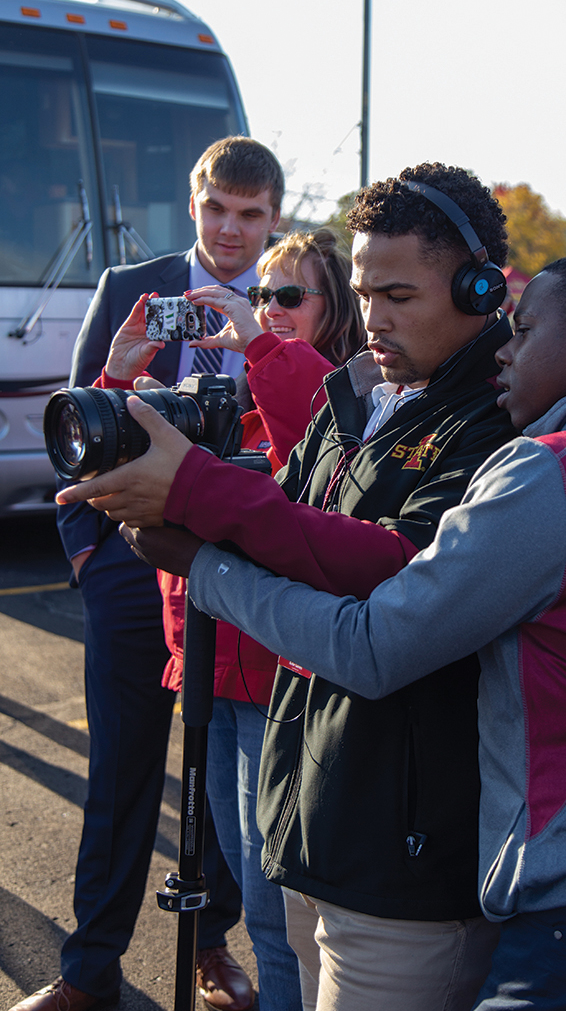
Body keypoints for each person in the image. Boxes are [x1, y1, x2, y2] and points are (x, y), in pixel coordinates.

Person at [119, 248, 566, 1011]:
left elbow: (371, 648)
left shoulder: (552, 471)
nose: (504, 347)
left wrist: (204, 570)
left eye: (525, 330)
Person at [56, 163, 517, 1011]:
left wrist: (193, 501)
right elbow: (283, 517)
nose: (373, 318)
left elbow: (388, 565)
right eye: (364, 290)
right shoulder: (362, 396)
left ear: (480, 288)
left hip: (405, 857)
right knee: (277, 954)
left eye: (399, 295)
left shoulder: (500, 419)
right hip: (318, 807)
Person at [12, 138, 283, 1011]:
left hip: (237, 567)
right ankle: (89, 970)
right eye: (217, 209)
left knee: (230, 775)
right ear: (193, 201)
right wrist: (93, 560)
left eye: (250, 214)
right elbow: (74, 425)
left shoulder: (290, 295)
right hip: (131, 564)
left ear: (273, 217)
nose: (231, 230)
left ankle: (210, 943)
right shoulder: (131, 286)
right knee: (123, 773)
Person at [120, 228, 363, 1007]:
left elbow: (319, 448)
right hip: (208, 666)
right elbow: (125, 456)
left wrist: (259, 344)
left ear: (336, 308)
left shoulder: (334, 394)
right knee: (246, 885)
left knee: (276, 906)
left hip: (272, 678)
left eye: (289, 295)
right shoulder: (244, 395)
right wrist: (122, 373)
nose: (268, 308)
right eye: (261, 294)